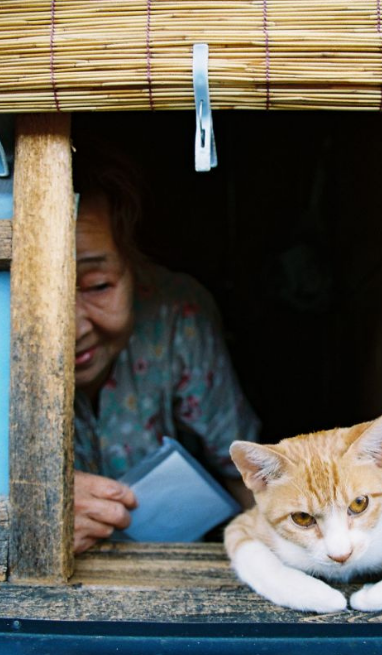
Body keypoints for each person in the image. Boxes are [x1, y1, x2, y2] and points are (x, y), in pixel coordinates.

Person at [72, 137, 260, 553]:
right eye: (35, 290)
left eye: (98, 286)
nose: (71, 326)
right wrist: (33, 512)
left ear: (136, 267)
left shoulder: (176, 315)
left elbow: (246, 472)